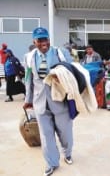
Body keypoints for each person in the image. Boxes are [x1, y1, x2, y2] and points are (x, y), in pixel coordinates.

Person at [23, 27, 74, 176]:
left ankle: (67, 152)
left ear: (49, 39)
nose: (43, 43)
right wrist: (28, 99)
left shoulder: (60, 53)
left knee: (65, 132)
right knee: (46, 135)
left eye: (45, 39)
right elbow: (28, 79)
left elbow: (71, 71)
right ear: (34, 41)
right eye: (39, 40)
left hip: (60, 99)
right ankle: (52, 162)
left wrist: (62, 77)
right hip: (40, 102)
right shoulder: (29, 57)